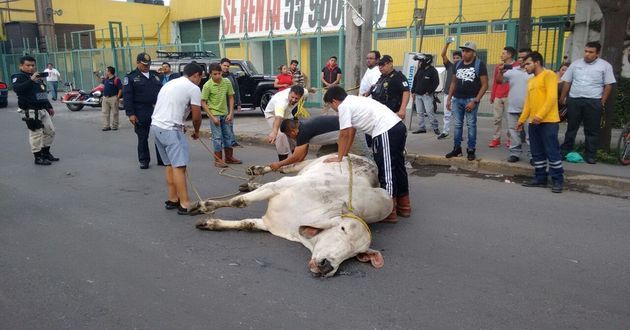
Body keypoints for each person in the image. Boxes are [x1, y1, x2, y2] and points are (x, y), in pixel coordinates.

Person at [323, 86, 410, 223]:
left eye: (330, 105)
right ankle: (404, 206)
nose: (333, 109)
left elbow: (344, 133)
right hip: (397, 127)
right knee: (398, 167)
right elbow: (351, 131)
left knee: (387, 171)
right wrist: (344, 154)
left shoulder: (344, 107)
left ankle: (389, 210)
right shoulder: (354, 100)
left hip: (386, 130)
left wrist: (339, 157)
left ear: (334, 101)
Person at [150, 62, 204, 215]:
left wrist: (180, 124)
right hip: (170, 129)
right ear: (196, 75)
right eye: (201, 77)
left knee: (169, 165)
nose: (200, 80)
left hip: (156, 126)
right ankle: (185, 204)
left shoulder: (171, 82)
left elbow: (171, 106)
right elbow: (196, 116)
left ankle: (173, 199)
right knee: (179, 167)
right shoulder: (193, 88)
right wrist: (197, 131)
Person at [559, 41, 616, 164]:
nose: (587, 54)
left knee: (591, 130)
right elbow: (567, 81)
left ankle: (590, 155)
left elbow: (608, 85)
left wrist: (602, 101)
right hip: (575, 100)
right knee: (571, 128)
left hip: (593, 101)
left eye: (591, 52)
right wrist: (563, 98)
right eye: (586, 51)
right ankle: (565, 151)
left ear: (597, 53)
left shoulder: (605, 66)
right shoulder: (575, 64)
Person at [516, 51, 564, 193]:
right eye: (524, 65)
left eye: (528, 64)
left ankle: (557, 180)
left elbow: (551, 98)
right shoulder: (531, 81)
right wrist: (521, 120)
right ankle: (540, 178)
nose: (526, 67)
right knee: (536, 152)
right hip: (533, 122)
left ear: (537, 63)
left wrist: (539, 116)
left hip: (548, 121)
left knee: (552, 151)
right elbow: (528, 104)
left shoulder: (549, 75)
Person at [445, 41, 489, 161]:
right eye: (463, 51)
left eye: (467, 51)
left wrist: (475, 101)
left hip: (471, 99)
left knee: (471, 125)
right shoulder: (457, 65)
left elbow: (485, 85)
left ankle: (471, 149)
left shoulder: (479, 65)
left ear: (474, 53)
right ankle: (457, 148)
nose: (464, 53)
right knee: (458, 125)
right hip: (457, 99)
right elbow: (453, 82)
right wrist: (449, 99)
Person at [12, 55, 59, 165]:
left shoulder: (36, 77)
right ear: (21, 65)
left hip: (42, 108)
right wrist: (31, 80)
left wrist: (49, 106)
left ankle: (45, 153)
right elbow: (17, 89)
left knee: (50, 131)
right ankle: (38, 157)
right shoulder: (18, 76)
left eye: (33, 65)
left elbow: (41, 93)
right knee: (36, 133)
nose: (31, 67)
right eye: (28, 65)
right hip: (30, 110)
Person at [123, 52, 164, 169]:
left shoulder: (155, 75)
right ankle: (144, 160)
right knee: (142, 137)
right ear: (137, 63)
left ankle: (162, 158)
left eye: (148, 64)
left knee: (159, 135)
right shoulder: (131, 77)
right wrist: (130, 114)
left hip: (156, 109)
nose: (146, 67)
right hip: (141, 110)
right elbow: (127, 96)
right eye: (144, 64)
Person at [201, 62, 241, 168]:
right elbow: (203, 102)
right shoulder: (207, 86)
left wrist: (231, 113)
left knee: (228, 136)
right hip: (214, 115)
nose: (218, 76)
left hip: (225, 114)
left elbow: (231, 97)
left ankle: (229, 157)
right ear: (210, 74)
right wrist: (212, 117)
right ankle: (218, 160)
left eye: (219, 73)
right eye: (215, 74)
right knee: (217, 138)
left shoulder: (226, 82)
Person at [496, 53, 532, 163]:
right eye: (519, 57)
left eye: (524, 58)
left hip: (529, 109)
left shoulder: (534, 72)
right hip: (512, 107)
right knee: (513, 132)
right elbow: (499, 81)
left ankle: (533, 155)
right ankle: (515, 153)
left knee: (530, 133)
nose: (520, 60)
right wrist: (500, 71)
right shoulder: (512, 71)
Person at [270, 116, 341, 170]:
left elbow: (296, 157)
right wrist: (297, 161)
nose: (290, 138)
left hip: (348, 133)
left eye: (288, 135)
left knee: (341, 158)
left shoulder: (302, 132)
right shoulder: (300, 125)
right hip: (338, 135)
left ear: (293, 132)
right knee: (322, 155)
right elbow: (301, 156)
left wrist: (279, 164)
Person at [264, 85, 307, 161]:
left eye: (296, 98)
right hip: (273, 114)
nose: (293, 100)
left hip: (287, 114)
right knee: (280, 135)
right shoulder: (281, 101)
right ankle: (282, 161)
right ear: (289, 93)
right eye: (292, 97)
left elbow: (306, 90)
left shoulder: (305, 92)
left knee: (294, 133)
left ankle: (296, 158)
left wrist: (311, 90)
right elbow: (279, 117)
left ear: (301, 96)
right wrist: (274, 132)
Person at [489, 46, 517, 148]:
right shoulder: (499, 66)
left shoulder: (517, 66)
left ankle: (510, 139)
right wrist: (493, 95)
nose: (501, 55)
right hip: (498, 96)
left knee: (510, 119)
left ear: (509, 55)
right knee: (496, 119)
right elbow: (496, 82)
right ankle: (496, 139)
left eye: (504, 53)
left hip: (510, 96)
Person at [369, 55, 410, 119]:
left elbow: (406, 91)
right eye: (379, 65)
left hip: (393, 113)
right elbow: (377, 86)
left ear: (390, 64)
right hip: (380, 111)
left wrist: (402, 109)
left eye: (382, 65)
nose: (380, 67)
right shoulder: (383, 77)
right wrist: (369, 91)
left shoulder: (398, 76)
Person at [437, 40, 462, 140]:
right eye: (454, 58)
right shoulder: (450, 66)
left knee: (458, 116)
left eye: (458, 58)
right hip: (448, 94)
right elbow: (443, 55)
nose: (455, 59)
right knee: (447, 114)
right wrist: (446, 44)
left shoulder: (464, 67)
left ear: (462, 58)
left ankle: (458, 134)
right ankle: (445, 132)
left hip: (459, 95)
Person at [411, 53, 440, 134]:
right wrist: (413, 91)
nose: (419, 62)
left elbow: (436, 82)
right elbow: (415, 80)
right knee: (419, 112)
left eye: (421, 61)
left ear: (426, 61)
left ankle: (435, 127)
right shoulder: (420, 69)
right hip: (417, 94)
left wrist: (429, 91)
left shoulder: (433, 70)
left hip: (426, 95)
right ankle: (422, 127)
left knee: (429, 112)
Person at [220, 57, 242, 148]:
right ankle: (224, 142)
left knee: (230, 123)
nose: (226, 67)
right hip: (220, 105)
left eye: (228, 66)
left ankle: (232, 141)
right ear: (220, 65)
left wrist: (239, 103)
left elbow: (236, 89)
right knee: (222, 125)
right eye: (224, 65)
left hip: (230, 104)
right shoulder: (216, 76)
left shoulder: (231, 76)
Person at [99, 66, 123, 131]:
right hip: (105, 98)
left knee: (115, 112)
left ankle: (115, 126)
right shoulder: (106, 79)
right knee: (105, 112)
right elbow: (100, 81)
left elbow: (120, 89)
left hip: (113, 98)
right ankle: (106, 126)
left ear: (109, 72)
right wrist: (96, 75)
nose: (105, 72)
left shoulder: (116, 79)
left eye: (106, 71)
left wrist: (117, 97)